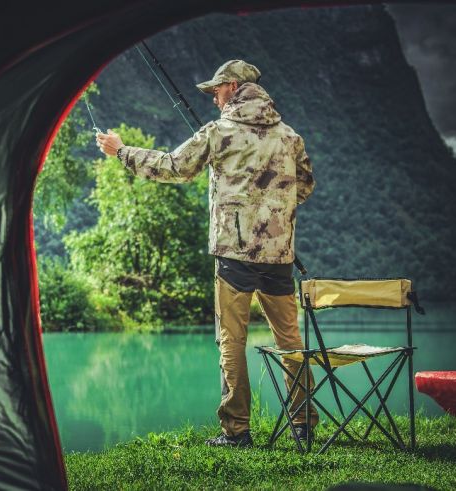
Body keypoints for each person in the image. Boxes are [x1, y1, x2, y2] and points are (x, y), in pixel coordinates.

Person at [95, 59, 317, 448]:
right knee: (290, 341)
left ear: (234, 87)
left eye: (217, 89)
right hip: (279, 256)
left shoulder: (218, 132)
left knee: (231, 342)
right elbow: (305, 185)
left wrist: (121, 151)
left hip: (234, 257)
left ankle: (237, 432)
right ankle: (304, 424)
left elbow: (173, 167)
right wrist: (270, 209)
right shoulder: (290, 137)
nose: (214, 96)